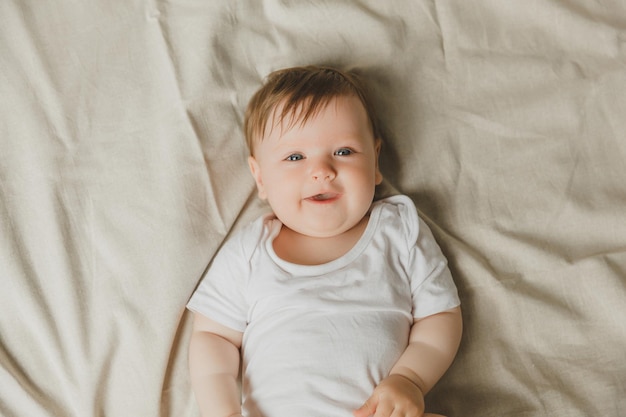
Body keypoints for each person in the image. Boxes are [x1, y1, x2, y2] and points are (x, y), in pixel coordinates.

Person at [187, 65, 462, 417]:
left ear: (376, 160)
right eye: (295, 157)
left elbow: (440, 315)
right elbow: (214, 337)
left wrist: (409, 379)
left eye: (344, 151)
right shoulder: (249, 252)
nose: (321, 170)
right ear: (260, 178)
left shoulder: (398, 231)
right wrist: (222, 411)